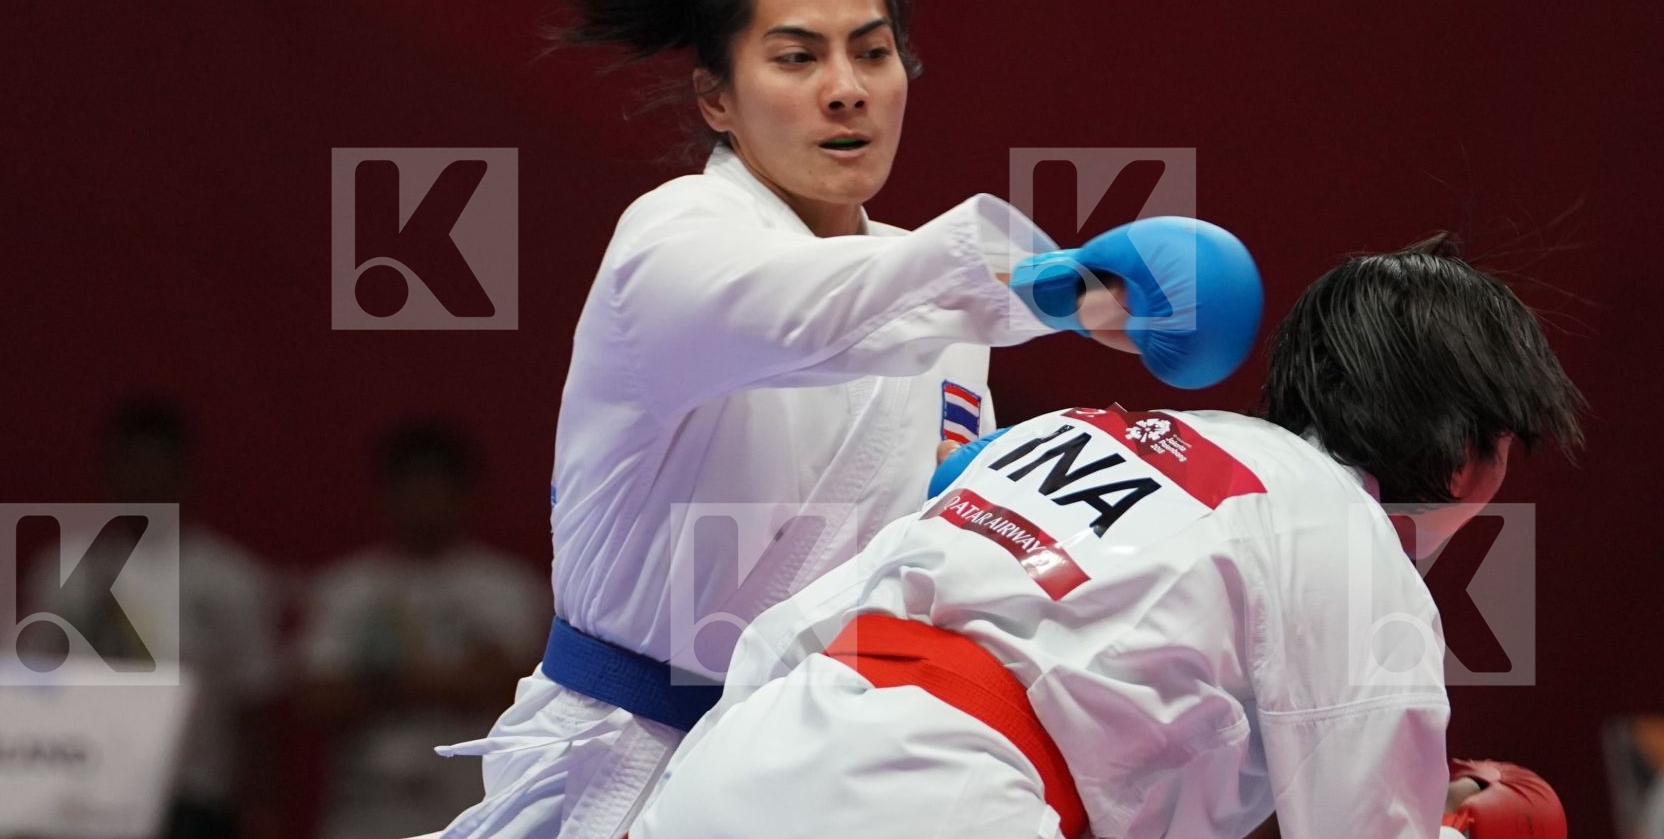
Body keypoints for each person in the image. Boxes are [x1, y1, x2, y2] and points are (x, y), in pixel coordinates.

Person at [426, 0, 1266, 839]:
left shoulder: (940, 302)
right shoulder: (672, 243)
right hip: (616, 770)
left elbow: (941, 551)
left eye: (872, 52)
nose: (846, 88)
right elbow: (811, 309)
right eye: (796, 57)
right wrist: (1065, 291)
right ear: (716, 100)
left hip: (816, 780)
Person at [628, 234, 1585, 839]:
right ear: (1473, 454)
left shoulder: (1075, 428)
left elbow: (788, 635)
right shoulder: (1350, 539)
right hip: (937, 806)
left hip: (739, 759)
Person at [22, 396, 282, 839]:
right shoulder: (63, 569)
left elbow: (254, 707)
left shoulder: (232, 578)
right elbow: (31, 687)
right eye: (130, 464)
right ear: (108, 473)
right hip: (79, 790)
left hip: (191, 795)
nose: (144, 479)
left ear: (184, 474)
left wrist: (259, 805)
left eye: (157, 464)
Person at [297, 420, 549, 839]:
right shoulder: (347, 588)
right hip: (365, 811)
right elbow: (317, 699)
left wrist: (376, 679)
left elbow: (506, 687)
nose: (423, 503)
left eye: (436, 489)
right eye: (411, 488)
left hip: (472, 809)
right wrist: (445, 679)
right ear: (387, 494)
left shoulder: (507, 587)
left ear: (463, 495)